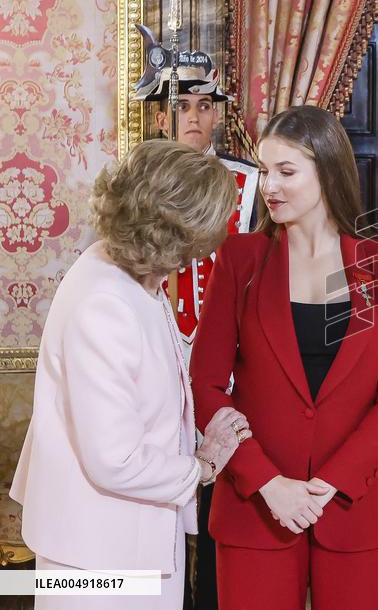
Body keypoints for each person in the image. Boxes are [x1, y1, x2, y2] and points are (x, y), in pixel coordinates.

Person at [190, 105, 378, 609]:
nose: (269, 186)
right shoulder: (240, 258)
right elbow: (206, 384)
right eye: (265, 170)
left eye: (286, 172)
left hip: (353, 506)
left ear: (328, 170)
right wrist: (267, 483)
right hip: (256, 509)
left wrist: (331, 483)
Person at [10, 140, 252, 609]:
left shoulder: (129, 270)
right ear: (174, 234)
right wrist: (200, 466)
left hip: (122, 535)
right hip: (100, 550)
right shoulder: (106, 303)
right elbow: (114, 459)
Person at [134, 65, 260, 609]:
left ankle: (210, 596)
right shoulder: (143, 180)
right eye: (183, 106)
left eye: (204, 106)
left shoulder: (246, 182)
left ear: (218, 115)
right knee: (162, 480)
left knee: (217, 490)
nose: (194, 116)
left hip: (223, 358)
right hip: (160, 349)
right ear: (164, 115)